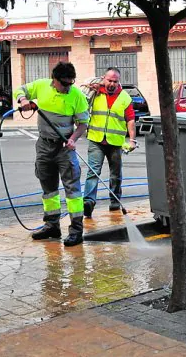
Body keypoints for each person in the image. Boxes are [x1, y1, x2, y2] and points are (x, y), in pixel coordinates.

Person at [14, 62, 89, 247]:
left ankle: (76, 231)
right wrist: (23, 100)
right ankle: (52, 226)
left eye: (71, 83)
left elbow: (82, 124)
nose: (67, 87)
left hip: (64, 148)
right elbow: (20, 89)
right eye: (64, 83)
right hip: (44, 146)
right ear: (54, 80)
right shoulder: (41, 86)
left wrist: (73, 139)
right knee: (49, 190)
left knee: (72, 190)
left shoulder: (77, 96)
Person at [82, 67, 137, 217]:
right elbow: (81, 91)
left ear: (118, 81)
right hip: (96, 139)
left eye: (115, 81)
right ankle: (88, 202)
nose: (112, 83)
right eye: (109, 80)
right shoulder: (95, 92)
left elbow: (130, 120)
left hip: (115, 142)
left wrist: (132, 140)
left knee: (115, 175)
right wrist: (92, 86)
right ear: (103, 79)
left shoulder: (125, 98)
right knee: (93, 172)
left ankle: (114, 201)